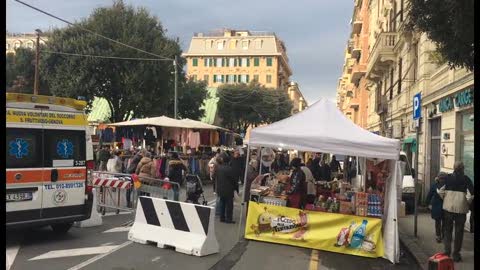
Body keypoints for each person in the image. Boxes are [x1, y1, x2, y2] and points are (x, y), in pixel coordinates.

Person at [437, 161, 474, 262]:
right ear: (463, 168)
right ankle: (456, 254)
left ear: (454, 168)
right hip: (461, 209)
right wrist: (467, 202)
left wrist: (445, 199)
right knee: (459, 232)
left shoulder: (448, 178)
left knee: (447, 230)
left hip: (448, 208)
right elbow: (471, 195)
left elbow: (440, 191)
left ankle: (447, 251)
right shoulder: (466, 179)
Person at [213, 155, 238, 223]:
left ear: (223, 160)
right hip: (228, 189)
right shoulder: (230, 169)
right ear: (229, 161)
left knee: (222, 203)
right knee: (229, 205)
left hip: (220, 189)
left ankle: (222, 217)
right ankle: (228, 219)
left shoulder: (218, 168)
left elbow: (214, 177)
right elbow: (234, 180)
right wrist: (236, 188)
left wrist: (215, 188)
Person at [426, 172, 447, 243]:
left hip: (437, 207)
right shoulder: (448, 185)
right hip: (445, 207)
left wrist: (427, 204)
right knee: (444, 222)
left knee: (438, 222)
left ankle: (438, 236)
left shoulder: (434, 185)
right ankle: (444, 236)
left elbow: (429, 196)